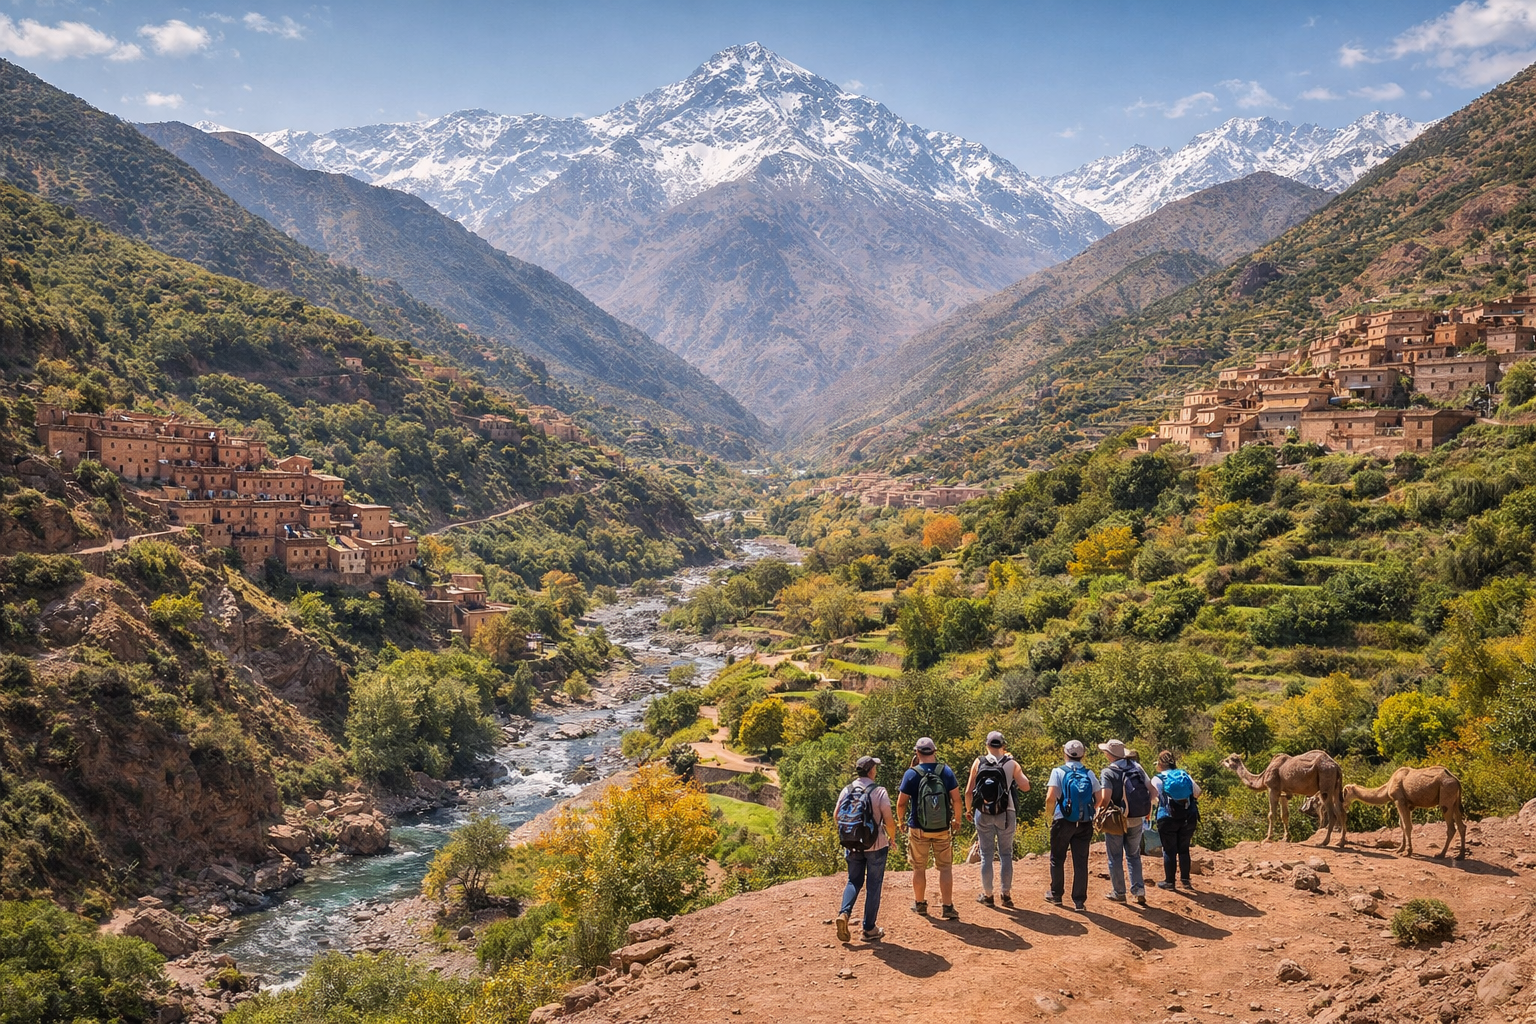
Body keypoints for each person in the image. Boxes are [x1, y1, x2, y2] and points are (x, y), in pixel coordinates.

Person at [896, 737, 963, 920]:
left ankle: (920, 905)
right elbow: (957, 799)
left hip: (918, 829)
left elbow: (901, 803)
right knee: (945, 868)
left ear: (917, 753)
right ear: (934, 752)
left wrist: (901, 821)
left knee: (919, 868)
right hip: (942, 828)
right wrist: (957, 820)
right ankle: (947, 907)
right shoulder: (946, 771)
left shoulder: (911, 774)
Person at [835, 755, 898, 942]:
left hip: (852, 844)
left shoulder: (846, 790)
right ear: (871, 770)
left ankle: (844, 913)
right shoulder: (879, 791)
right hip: (875, 845)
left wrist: (849, 836)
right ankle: (869, 929)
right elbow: (889, 820)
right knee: (873, 885)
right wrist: (891, 838)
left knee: (853, 881)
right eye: (875, 768)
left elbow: (836, 815)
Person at [964, 731, 1032, 907]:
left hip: (983, 812)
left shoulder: (979, 762)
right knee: (1006, 854)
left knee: (986, 855)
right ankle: (1006, 895)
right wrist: (1015, 771)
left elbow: (968, 791)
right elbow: (1026, 786)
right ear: (1003, 745)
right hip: (1006, 812)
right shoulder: (1011, 763)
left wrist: (968, 810)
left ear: (987, 745)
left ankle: (988, 895)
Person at [1044, 740, 1100, 911]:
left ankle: (1056, 895)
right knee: (1080, 861)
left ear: (1065, 753)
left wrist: (1049, 816)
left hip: (1063, 820)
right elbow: (1099, 798)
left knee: (1057, 858)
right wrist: (1090, 810)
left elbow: (1050, 798)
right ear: (1083, 755)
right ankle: (1079, 901)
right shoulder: (1089, 774)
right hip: (1084, 822)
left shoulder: (1058, 772)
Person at [1096, 738, 1153, 906]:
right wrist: (1147, 810)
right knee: (1133, 855)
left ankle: (1119, 892)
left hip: (1116, 820)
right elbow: (1153, 790)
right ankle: (1139, 890)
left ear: (1109, 754)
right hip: (1136, 818)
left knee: (1115, 856)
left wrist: (1098, 812)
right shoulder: (1136, 767)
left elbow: (1105, 798)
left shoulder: (1108, 772)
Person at [1151, 750, 1203, 890]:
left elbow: (1153, 799)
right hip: (1188, 817)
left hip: (1167, 817)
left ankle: (1170, 882)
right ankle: (1185, 881)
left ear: (1160, 764)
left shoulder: (1157, 779)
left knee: (1169, 850)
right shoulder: (1184, 775)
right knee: (1184, 849)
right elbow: (1197, 792)